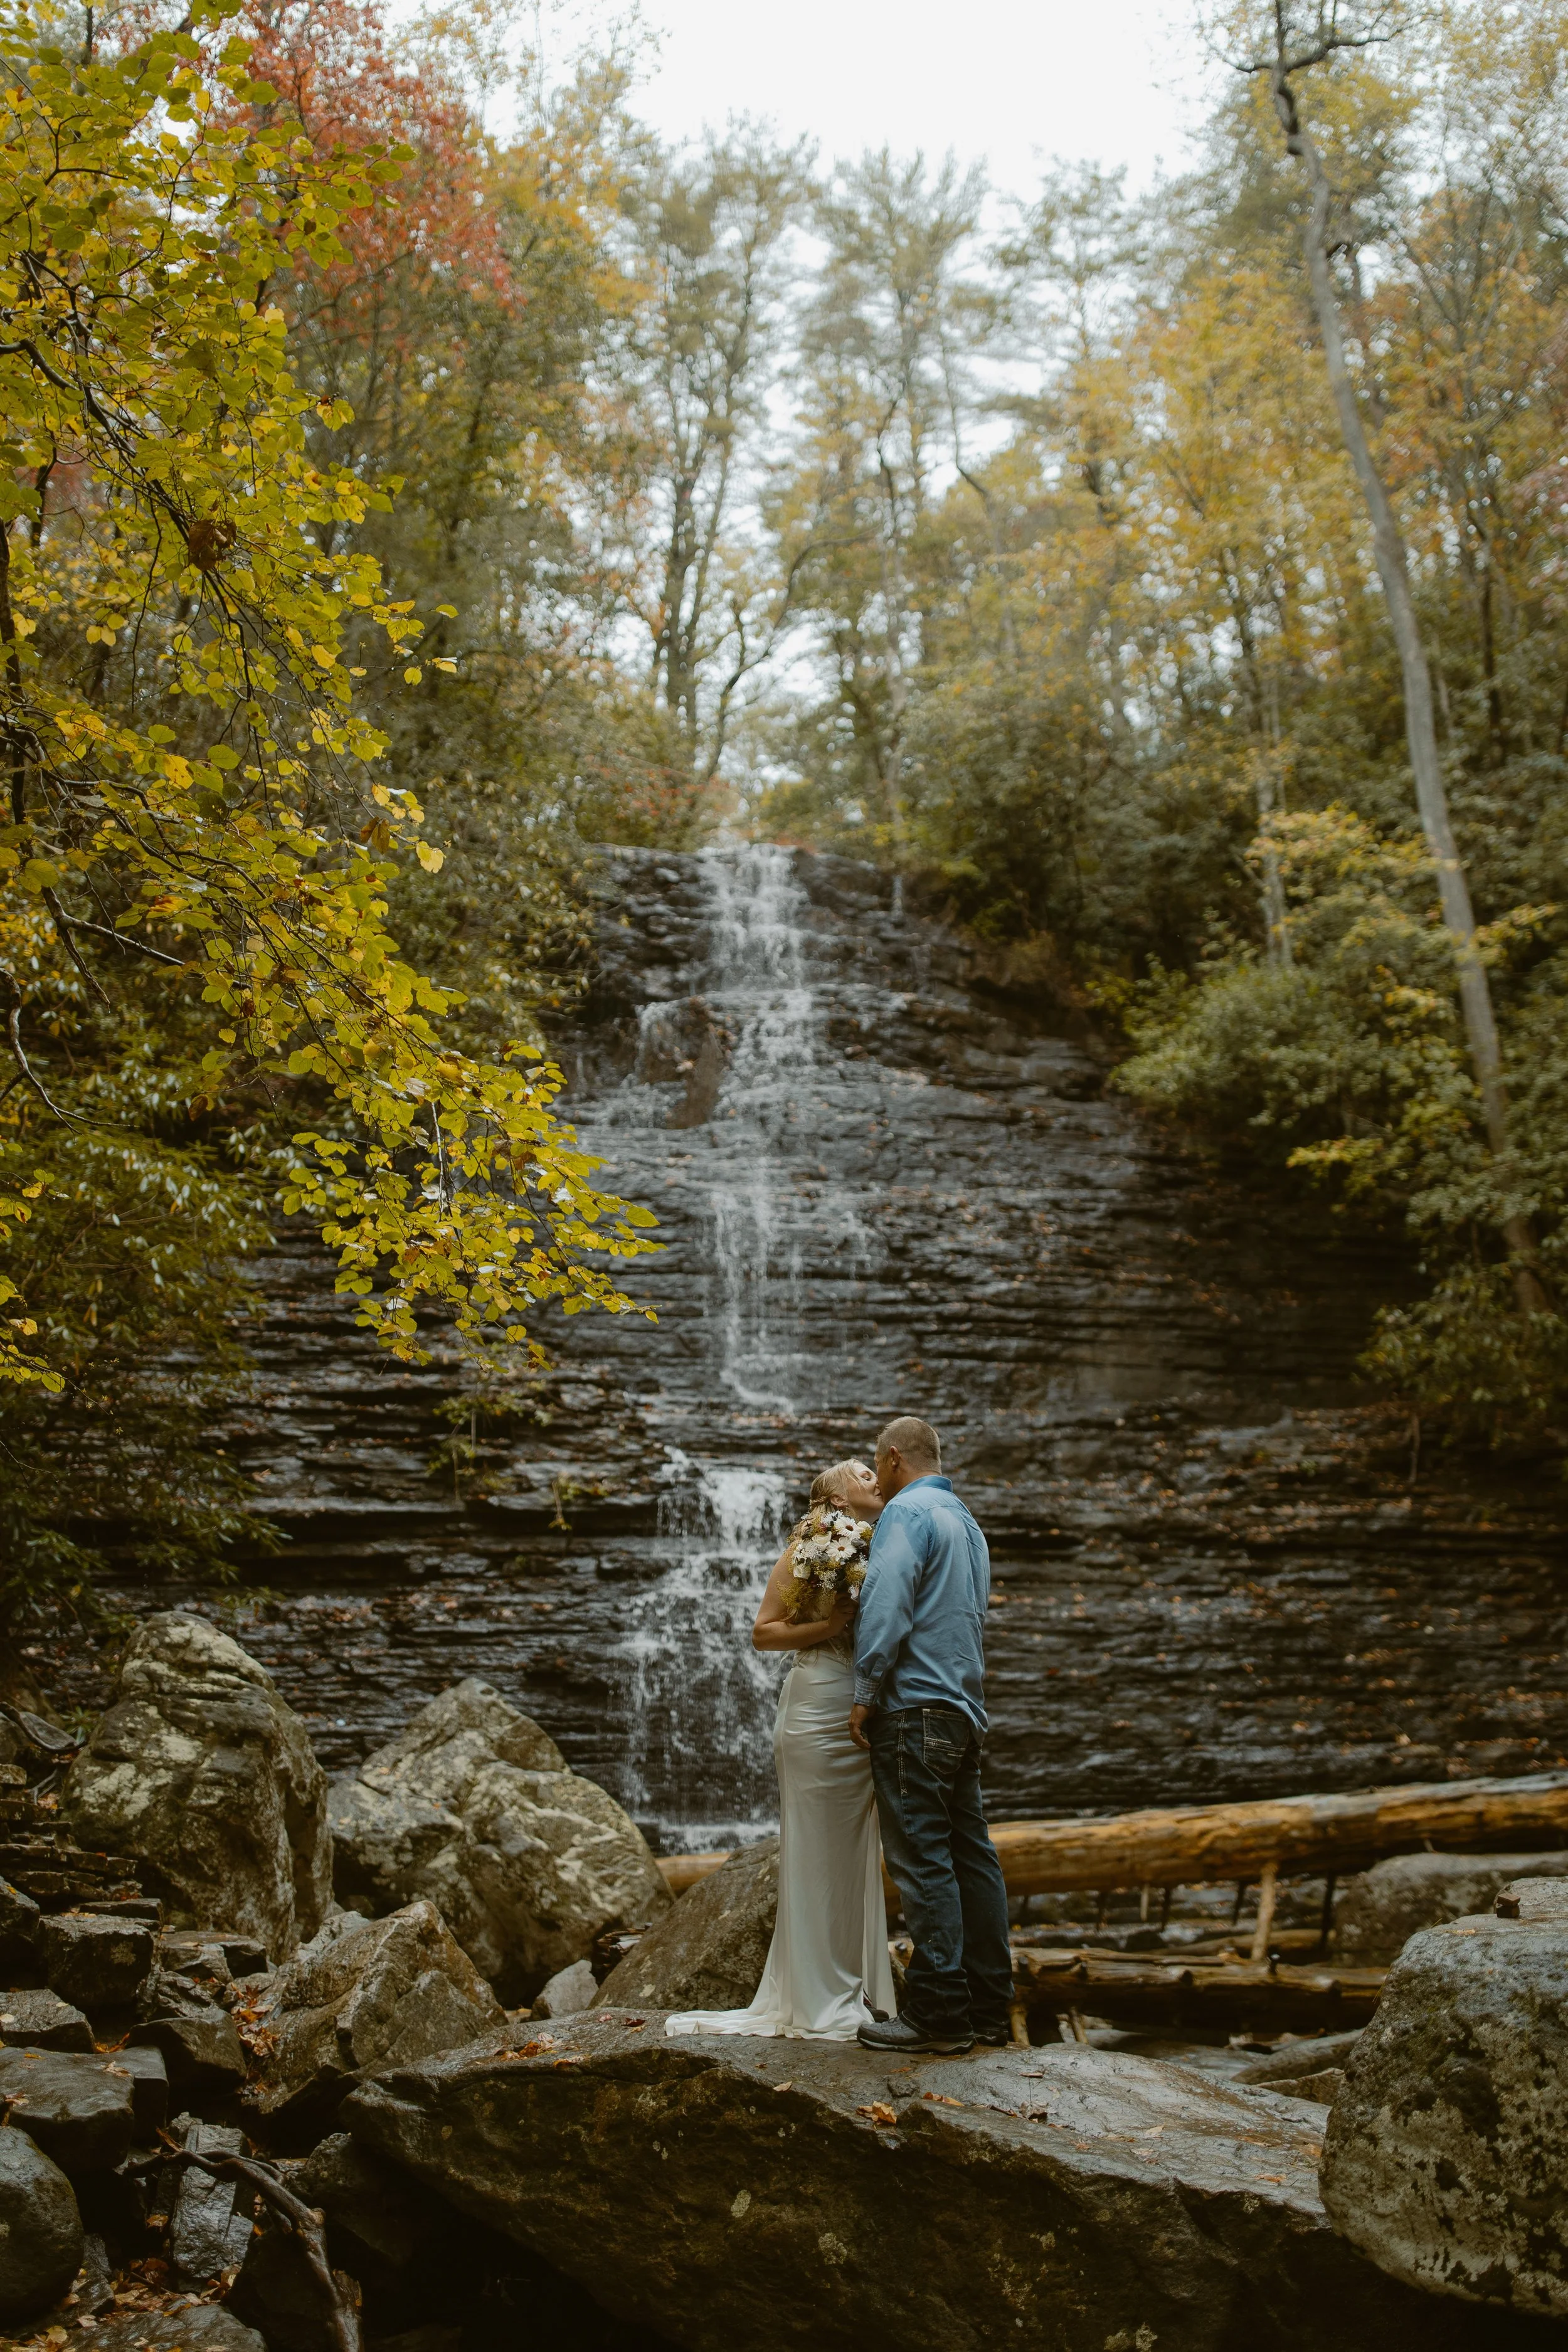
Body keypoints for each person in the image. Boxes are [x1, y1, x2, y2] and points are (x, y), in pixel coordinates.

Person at [665, 1458, 898, 2040]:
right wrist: (828, 1625)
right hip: (818, 1706)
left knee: (853, 1853)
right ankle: (819, 1998)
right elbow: (762, 1631)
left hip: (864, 1708)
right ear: (837, 1502)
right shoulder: (812, 1547)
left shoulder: (881, 1542)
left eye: (875, 1472)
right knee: (817, 1851)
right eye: (860, 1475)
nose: (873, 1478)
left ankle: (857, 1988)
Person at [849, 1415, 1014, 2054]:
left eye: (875, 1464)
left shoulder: (906, 1514)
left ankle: (940, 2009)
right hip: (961, 1710)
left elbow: (886, 1603)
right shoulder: (966, 1523)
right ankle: (988, 2004)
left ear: (893, 1459)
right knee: (973, 1856)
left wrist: (865, 1691)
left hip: (914, 1708)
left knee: (923, 1859)